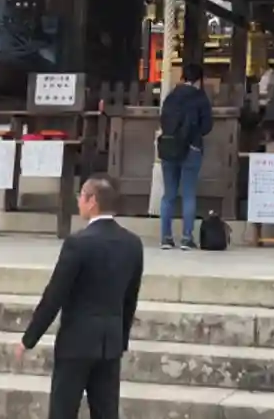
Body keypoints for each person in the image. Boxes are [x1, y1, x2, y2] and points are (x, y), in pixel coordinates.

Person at [16, 175, 143, 419]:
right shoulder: (132, 244)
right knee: (106, 412)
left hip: (76, 341)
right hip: (110, 342)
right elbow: (130, 298)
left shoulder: (78, 243)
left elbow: (55, 295)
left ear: (92, 201)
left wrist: (29, 338)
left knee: (63, 411)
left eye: (81, 195)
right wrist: (121, 339)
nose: (78, 201)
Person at [158, 61, 212, 250]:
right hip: (191, 149)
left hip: (169, 148)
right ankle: (186, 238)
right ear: (199, 80)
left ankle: (166, 238)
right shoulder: (200, 98)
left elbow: (163, 121)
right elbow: (207, 126)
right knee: (188, 194)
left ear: (182, 77)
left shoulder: (171, 96)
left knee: (169, 195)